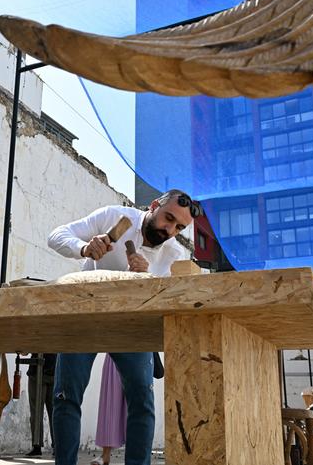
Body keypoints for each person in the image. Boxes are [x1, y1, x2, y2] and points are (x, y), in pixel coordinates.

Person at [47, 189, 199, 465]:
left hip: (133, 325)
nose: (170, 230)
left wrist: (148, 279)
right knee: (66, 396)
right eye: (168, 219)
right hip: (86, 313)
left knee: (142, 402)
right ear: (153, 206)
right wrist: (84, 248)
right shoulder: (114, 216)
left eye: (179, 227)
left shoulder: (174, 255)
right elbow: (56, 236)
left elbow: (168, 298)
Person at [93, 356, 126, 465]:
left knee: (138, 408)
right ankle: (105, 455)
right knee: (109, 406)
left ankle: (137, 459)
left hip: (138, 352)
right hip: (114, 353)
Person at [25, 353, 57, 457]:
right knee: (54, 412)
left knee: (36, 411)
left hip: (39, 370)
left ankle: (37, 446)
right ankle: (57, 447)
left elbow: (25, 350)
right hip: (54, 369)